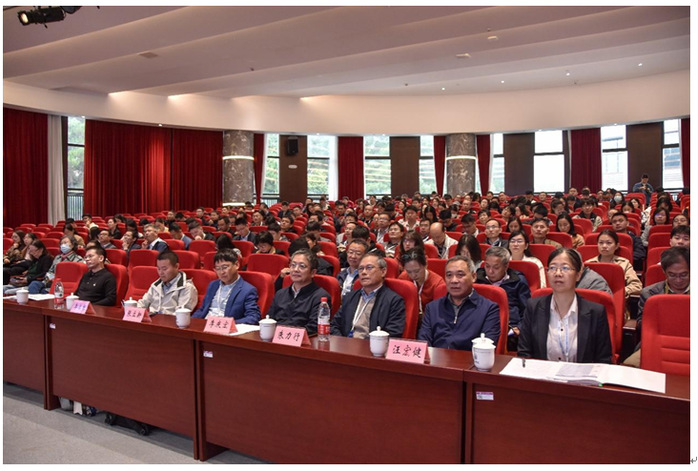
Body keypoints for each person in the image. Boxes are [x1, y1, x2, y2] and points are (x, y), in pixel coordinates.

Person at [517, 248, 612, 363]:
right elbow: (524, 353)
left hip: (581, 374)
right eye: (552, 268)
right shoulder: (533, 307)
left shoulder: (596, 312)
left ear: (578, 275)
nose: (558, 273)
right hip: (543, 373)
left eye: (565, 268)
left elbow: (603, 360)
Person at [623, 247, 689, 367]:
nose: (678, 280)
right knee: (629, 366)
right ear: (664, 271)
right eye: (672, 275)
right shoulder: (650, 293)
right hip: (659, 341)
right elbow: (643, 324)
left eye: (684, 275)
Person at [418, 255, 500, 350]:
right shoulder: (432, 308)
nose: (454, 280)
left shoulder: (489, 309)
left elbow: (486, 349)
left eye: (460, 275)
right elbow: (423, 343)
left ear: (473, 277)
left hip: (470, 359)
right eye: (449, 275)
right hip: (435, 358)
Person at [331, 253, 406, 338]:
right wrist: (343, 342)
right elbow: (334, 325)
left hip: (372, 345)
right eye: (360, 268)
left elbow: (393, 333)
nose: (363, 272)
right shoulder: (350, 297)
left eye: (369, 268)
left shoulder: (394, 301)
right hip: (345, 343)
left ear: (383, 272)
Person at [475, 246, 531, 350]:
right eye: (487, 266)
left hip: (509, 329)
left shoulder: (518, 281)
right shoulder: (477, 279)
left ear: (506, 266)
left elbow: (527, 310)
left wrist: (519, 327)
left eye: (496, 268)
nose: (490, 271)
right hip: (481, 327)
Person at [266, 249, 330, 335]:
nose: (295, 270)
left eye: (302, 266)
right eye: (293, 265)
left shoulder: (320, 297)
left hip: (303, 340)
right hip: (275, 338)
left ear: (313, 272)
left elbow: (313, 328)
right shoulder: (280, 294)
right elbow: (270, 320)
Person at [192, 249, 260, 324]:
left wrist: (229, 324)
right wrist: (191, 321)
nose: (221, 272)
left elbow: (253, 317)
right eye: (218, 269)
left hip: (225, 327)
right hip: (206, 324)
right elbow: (202, 309)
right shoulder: (213, 285)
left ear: (237, 265)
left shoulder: (247, 290)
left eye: (225, 267)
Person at [585, 229, 641, 299]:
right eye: (601, 243)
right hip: (592, 299)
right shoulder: (588, 264)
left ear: (616, 246)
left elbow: (637, 285)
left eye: (609, 243)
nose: (604, 246)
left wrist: (620, 292)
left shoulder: (624, 263)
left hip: (616, 299)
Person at [398, 248, 446, 330]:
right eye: (409, 271)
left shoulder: (437, 284)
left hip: (429, 324)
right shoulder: (403, 278)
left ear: (426, 264)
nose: (413, 275)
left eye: (417, 271)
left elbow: (438, 314)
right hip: (406, 320)